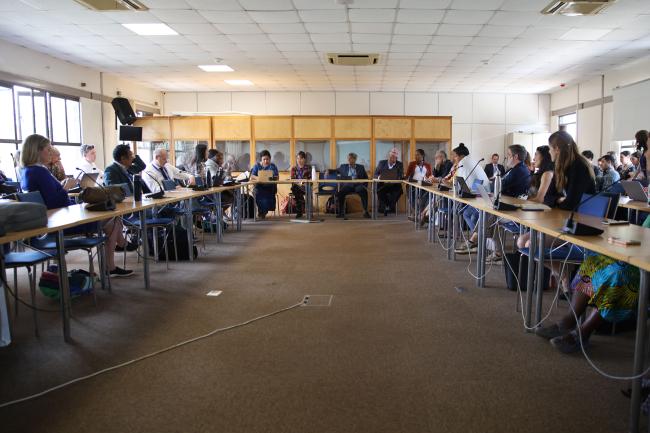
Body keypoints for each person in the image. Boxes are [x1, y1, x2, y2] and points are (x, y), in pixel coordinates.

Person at [20, 134, 133, 277]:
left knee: (113, 220)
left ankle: (113, 262)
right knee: (113, 219)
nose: (50, 153)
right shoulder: (40, 172)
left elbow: (49, 199)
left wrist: (62, 189)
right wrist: (66, 188)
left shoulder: (27, 172)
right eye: (48, 150)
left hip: (52, 221)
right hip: (60, 223)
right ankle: (111, 264)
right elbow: (55, 203)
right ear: (37, 151)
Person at [534, 254, 639, 354]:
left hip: (641, 266)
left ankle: (583, 334)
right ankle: (568, 322)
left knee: (618, 273)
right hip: (629, 256)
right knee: (592, 262)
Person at [337, 152, 371, 219]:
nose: (349, 160)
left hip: (358, 185)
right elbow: (335, 170)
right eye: (348, 159)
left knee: (364, 191)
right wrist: (328, 171)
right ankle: (341, 212)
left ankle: (365, 212)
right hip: (348, 185)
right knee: (340, 193)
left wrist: (364, 186)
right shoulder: (343, 166)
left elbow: (366, 178)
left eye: (351, 159)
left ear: (355, 159)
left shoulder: (361, 167)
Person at [374, 148, 404, 216]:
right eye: (391, 157)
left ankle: (387, 207)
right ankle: (388, 207)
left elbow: (400, 175)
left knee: (398, 191)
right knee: (379, 191)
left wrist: (395, 178)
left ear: (396, 158)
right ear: (388, 156)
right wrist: (379, 177)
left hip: (394, 185)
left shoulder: (399, 164)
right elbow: (375, 175)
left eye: (395, 157)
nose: (393, 159)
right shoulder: (381, 163)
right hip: (383, 184)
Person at [250, 150, 279, 219]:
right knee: (258, 194)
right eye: (264, 159)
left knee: (267, 197)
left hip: (270, 187)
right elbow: (252, 176)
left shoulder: (273, 166)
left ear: (270, 159)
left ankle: (263, 212)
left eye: (267, 159)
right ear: (261, 159)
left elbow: (277, 177)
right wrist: (259, 178)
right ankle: (262, 211)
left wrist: (271, 178)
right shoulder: (257, 166)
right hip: (259, 187)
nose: (266, 161)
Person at [405, 149, 432, 220]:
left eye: (418, 155)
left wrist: (428, 179)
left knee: (428, 196)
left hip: (424, 185)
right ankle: (420, 214)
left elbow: (430, 177)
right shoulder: (412, 164)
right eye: (415, 155)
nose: (416, 156)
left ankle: (419, 214)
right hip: (413, 185)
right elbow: (407, 176)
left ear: (422, 156)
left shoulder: (428, 165)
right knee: (412, 196)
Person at [289, 151, 311, 219]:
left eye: (301, 158)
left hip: (305, 187)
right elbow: (292, 179)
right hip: (296, 186)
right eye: (298, 158)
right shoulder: (294, 168)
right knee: (295, 188)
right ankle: (302, 203)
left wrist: (303, 184)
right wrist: (298, 183)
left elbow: (310, 179)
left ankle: (299, 212)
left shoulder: (308, 168)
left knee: (295, 190)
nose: (299, 160)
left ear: (304, 159)